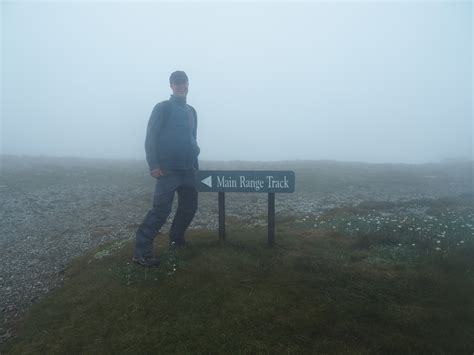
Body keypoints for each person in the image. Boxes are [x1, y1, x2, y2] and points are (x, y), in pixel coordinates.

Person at [132, 70, 200, 267]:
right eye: (176, 83)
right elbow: (151, 137)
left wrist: (195, 165)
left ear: (188, 84)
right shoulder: (163, 108)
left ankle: (176, 240)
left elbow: (192, 138)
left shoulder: (192, 111)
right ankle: (141, 253)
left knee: (189, 207)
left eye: (183, 82)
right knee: (161, 211)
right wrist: (153, 164)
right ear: (171, 86)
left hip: (188, 169)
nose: (181, 86)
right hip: (167, 170)